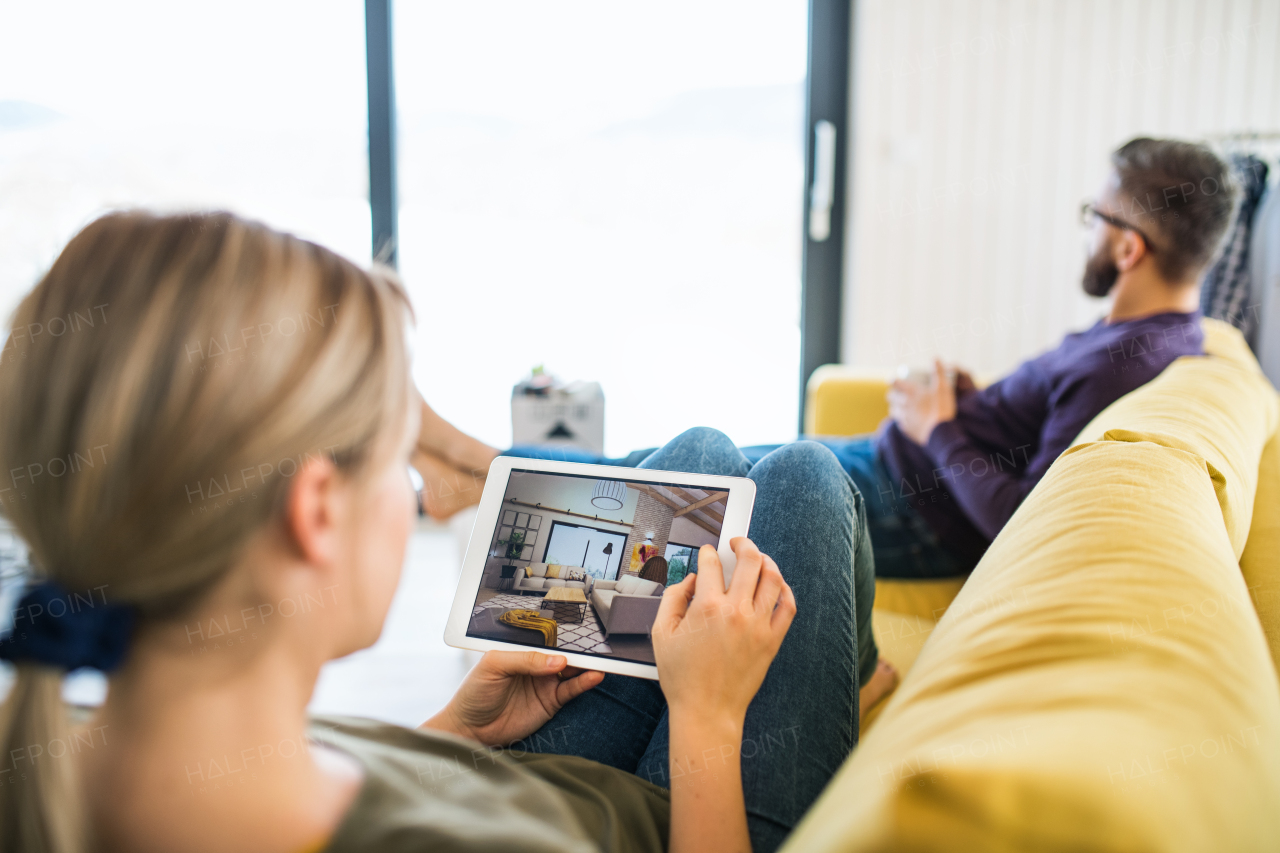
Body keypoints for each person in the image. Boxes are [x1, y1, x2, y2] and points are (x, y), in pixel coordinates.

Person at [0, 211, 871, 853]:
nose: (410, 494)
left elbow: (345, 774)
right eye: (397, 462)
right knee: (803, 478)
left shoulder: (73, 749)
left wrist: (450, 729)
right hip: (680, 810)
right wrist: (709, 718)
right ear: (315, 514)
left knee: (697, 462)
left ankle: (840, 671)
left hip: (498, 768)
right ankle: (850, 678)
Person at [413, 137, 1239, 583]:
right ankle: (475, 476)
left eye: (1095, 215)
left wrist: (941, 426)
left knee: (673, 487)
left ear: (1129, 246)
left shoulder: (1127, 358)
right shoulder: (1154, 338)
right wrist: (974, 403)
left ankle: (473, 462)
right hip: (893, 466)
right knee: (680, 464)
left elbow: (1022, 517)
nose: (1088, 228)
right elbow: (1046, 437)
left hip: (913, 510)